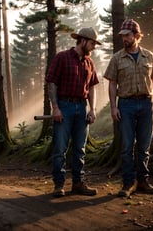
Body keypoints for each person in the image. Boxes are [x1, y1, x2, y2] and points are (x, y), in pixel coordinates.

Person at [104, 19, 153, 198]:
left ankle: (143, 181)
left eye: (127, 35)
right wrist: (113, 107)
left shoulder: (149, 56)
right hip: (126, 105)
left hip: (147, 104)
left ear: (137, 36)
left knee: (144, 146)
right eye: (122, 36)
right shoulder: (117, 58)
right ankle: (128, 183)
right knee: (126, 146)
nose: (124, 38)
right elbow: (112, 83)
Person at [46, 27, 100, 197]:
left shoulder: (90, 63)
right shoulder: (62, 57)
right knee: (60, 148)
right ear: (82, 41)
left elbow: (91, 88)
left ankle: (78, 183)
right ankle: (59, 185)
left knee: (80, 149)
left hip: (82, 108)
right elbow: (51, 83)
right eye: (92, 43)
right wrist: (55, 107)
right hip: (64, 106)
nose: (93, 47)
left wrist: (92, 109)